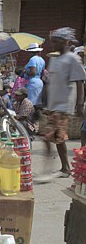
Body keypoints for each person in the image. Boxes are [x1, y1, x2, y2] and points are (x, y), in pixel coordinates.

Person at [36, 27, 85, 181]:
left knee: (48, 137)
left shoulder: (72, 59)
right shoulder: (54, 58)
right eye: (52, 42)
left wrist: (79, 104)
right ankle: (65, 168)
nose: (53, 45)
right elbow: (50, 82)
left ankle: (48, 169)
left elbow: (79, 82)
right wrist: (44, 101)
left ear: (65, 42)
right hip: (53, 105)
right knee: (58, 139)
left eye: (56, 42)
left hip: (64, 106)